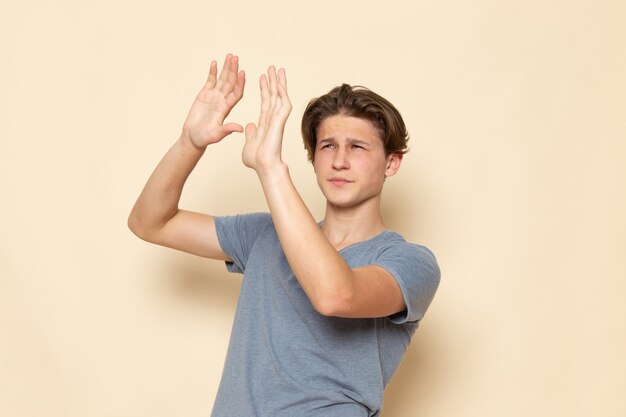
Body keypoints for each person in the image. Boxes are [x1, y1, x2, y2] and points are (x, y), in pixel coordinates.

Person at [128, 54, 440, 417]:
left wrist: (271, 167)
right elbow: (150, 223)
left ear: (391, 162)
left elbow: (335, 294)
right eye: (327, 146)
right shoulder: (264, 234)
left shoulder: (411, 263)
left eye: (357, 147)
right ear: (313, 157)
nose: (339, 160)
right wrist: (189, 142)